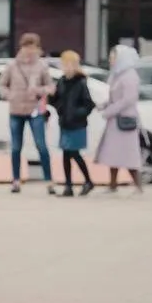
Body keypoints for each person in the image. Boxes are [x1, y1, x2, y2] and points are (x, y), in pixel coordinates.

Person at [0, 32, 55, 194]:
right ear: (21, 48)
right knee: (16, 147)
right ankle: (16, 180)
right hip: (15, 110)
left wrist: (38, 90)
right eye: (27, 47)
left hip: (35, 110)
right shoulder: (12, 65)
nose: (30, 51)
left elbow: (51, 87)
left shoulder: (41, 66)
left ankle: (49, 180)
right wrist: (10, 95)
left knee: (41, 145)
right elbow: (1, 85)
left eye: (33, 47)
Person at [95, 44, 144, 195]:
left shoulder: (130, 75)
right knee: (113, 153)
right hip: (115, 121)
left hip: (124, 120)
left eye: (113, 56)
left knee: (128, 154)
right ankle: (112, 184)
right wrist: (104, 105)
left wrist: (110, 111)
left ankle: (138, 185)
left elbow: (128, 99)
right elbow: (114, 97)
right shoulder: (117, 74)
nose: (111, 59)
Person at [51, 50, 96, 197]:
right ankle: (68, 186)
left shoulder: (81, 82)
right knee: (65, 153)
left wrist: (77, 113)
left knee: (74, 153)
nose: (67, 67)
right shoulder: (62, 81)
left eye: (70, 64)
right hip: (64, 123)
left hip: (77, 124)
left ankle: (88, 181)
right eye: (65, 64)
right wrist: (55, 103)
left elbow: (89, 104)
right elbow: (56, 100)